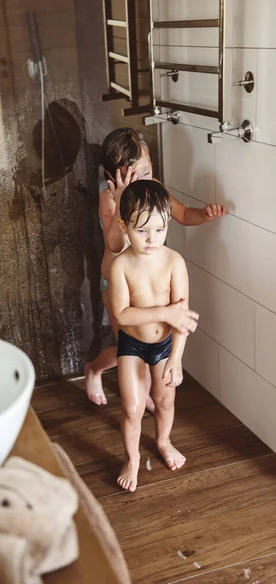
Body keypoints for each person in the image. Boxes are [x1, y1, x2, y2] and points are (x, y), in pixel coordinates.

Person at [84, 127, 225, 407]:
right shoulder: (108, 198)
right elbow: (114, 245)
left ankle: (145, 391)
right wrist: (122, 199)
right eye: (133, 178)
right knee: (130, 345)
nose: (142, 183)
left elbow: (183, 214)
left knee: (154, 343)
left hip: (152, 284)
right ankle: (95, 369)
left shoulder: (155, 190)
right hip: (119, 285)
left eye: (146, 173)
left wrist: (204, 215)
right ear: (113, 178)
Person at [110, 179, 195, 491]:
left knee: (165, 399)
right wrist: (164, 312)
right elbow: (122, 314)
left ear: (168, 224)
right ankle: (131, 458)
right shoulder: (121, 265)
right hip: (132, 344)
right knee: (132, 407)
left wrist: (177, 357)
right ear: (124, 225)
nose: (151, 239)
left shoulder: (174, 262)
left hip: (165, 345)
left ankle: (163, 441)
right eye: (141, 230)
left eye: (159, 230)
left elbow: (181, 317)